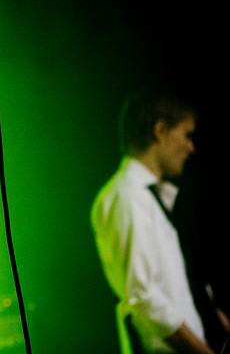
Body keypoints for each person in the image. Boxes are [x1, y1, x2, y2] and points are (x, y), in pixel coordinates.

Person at [91, 87, 228, 354]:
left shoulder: (149, 196)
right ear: (160, 130)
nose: (191, 147)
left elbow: (178, 283)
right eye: (186, 135)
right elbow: (144, 296)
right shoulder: (126, 196)